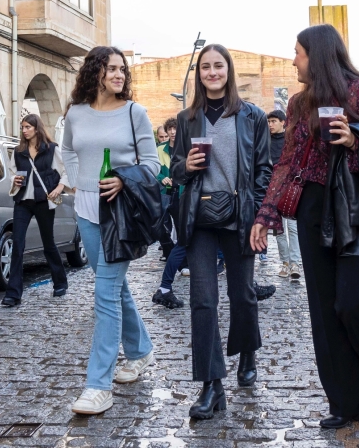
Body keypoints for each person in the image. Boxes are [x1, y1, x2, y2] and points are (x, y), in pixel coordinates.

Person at [251, 24, 359, 429]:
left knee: (354, 303)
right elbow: (287, 163)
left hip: (358, 211)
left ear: (318, 55)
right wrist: (267, 214)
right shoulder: (298, 104)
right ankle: (345, 402)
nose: (293, 60)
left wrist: (355, 141)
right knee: (324, 313)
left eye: (298, 52)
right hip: (314, 210)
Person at [171, 44, 271, 420]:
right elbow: (175, 171)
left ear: (228, 71)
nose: (212, 72)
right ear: (199, 73)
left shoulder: (252, 116)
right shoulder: (186, 118)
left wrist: (260, 216)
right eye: (205, 67)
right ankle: (211, 385)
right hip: (200, 217)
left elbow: (264, 170)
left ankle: (247, 351)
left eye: (218, 66)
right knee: (202, 299)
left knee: (243, 294)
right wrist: (188, 166)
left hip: (240, 215)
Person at [62, 46, 161, 415]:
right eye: (112, 69)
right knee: (115, 290)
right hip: (86, 209)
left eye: (123, 69)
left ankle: (97, 386)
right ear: (95, 72)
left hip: (120, 212)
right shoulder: (76, 113)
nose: (120, 75)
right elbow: (68, 150)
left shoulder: (135, 112)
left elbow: (152, 164)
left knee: (104, 294)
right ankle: (140, 351)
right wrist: (78, 180)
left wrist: (122, 179)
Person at [2, 114, 70, 307]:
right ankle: (13, 294)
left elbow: (66, 171)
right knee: (17, 243)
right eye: (22, 127)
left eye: (27, 127)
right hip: (23, 201)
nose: (24, 130)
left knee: (48, 242)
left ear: (36, 128)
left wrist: (58, 188)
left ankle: (60, 282)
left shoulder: (51, 149)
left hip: (43, 200)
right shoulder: (18, 151)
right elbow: (12, 173)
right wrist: (14, 180)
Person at [267, 109, 302, 279]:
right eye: (269, 122)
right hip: (272, 189)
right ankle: (285, 263)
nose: (270, 125)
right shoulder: (265, 141)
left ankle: (295, 263)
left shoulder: (291, 140)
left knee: (293, 227)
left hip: (290, 188)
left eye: (273, 121)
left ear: (283, 122)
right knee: (278, 229)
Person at [156, 117, 178, 261]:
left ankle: (182, 259)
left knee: (182, 227)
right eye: (169, 129)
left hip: (180, 192)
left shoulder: (185, 147)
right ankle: (169, 253)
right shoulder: (159, 149)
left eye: (175, 129)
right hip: (163, 192)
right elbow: (152, 168)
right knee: (161, 227)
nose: (172, 132)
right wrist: (161, 177)